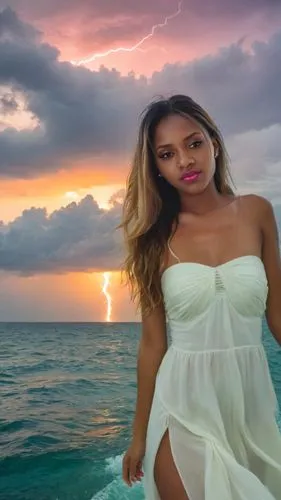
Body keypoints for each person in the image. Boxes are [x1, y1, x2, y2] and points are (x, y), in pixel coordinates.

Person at [120, 94, 281, 499]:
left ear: (215, 142)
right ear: (156, 167)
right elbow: (153, 346)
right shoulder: (153, 241)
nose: (185, 161)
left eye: (194, 143)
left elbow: (277, 316)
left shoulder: (257, 212)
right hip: (182, 406)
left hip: (249, 406)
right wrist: (138, 437)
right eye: (167, 153)